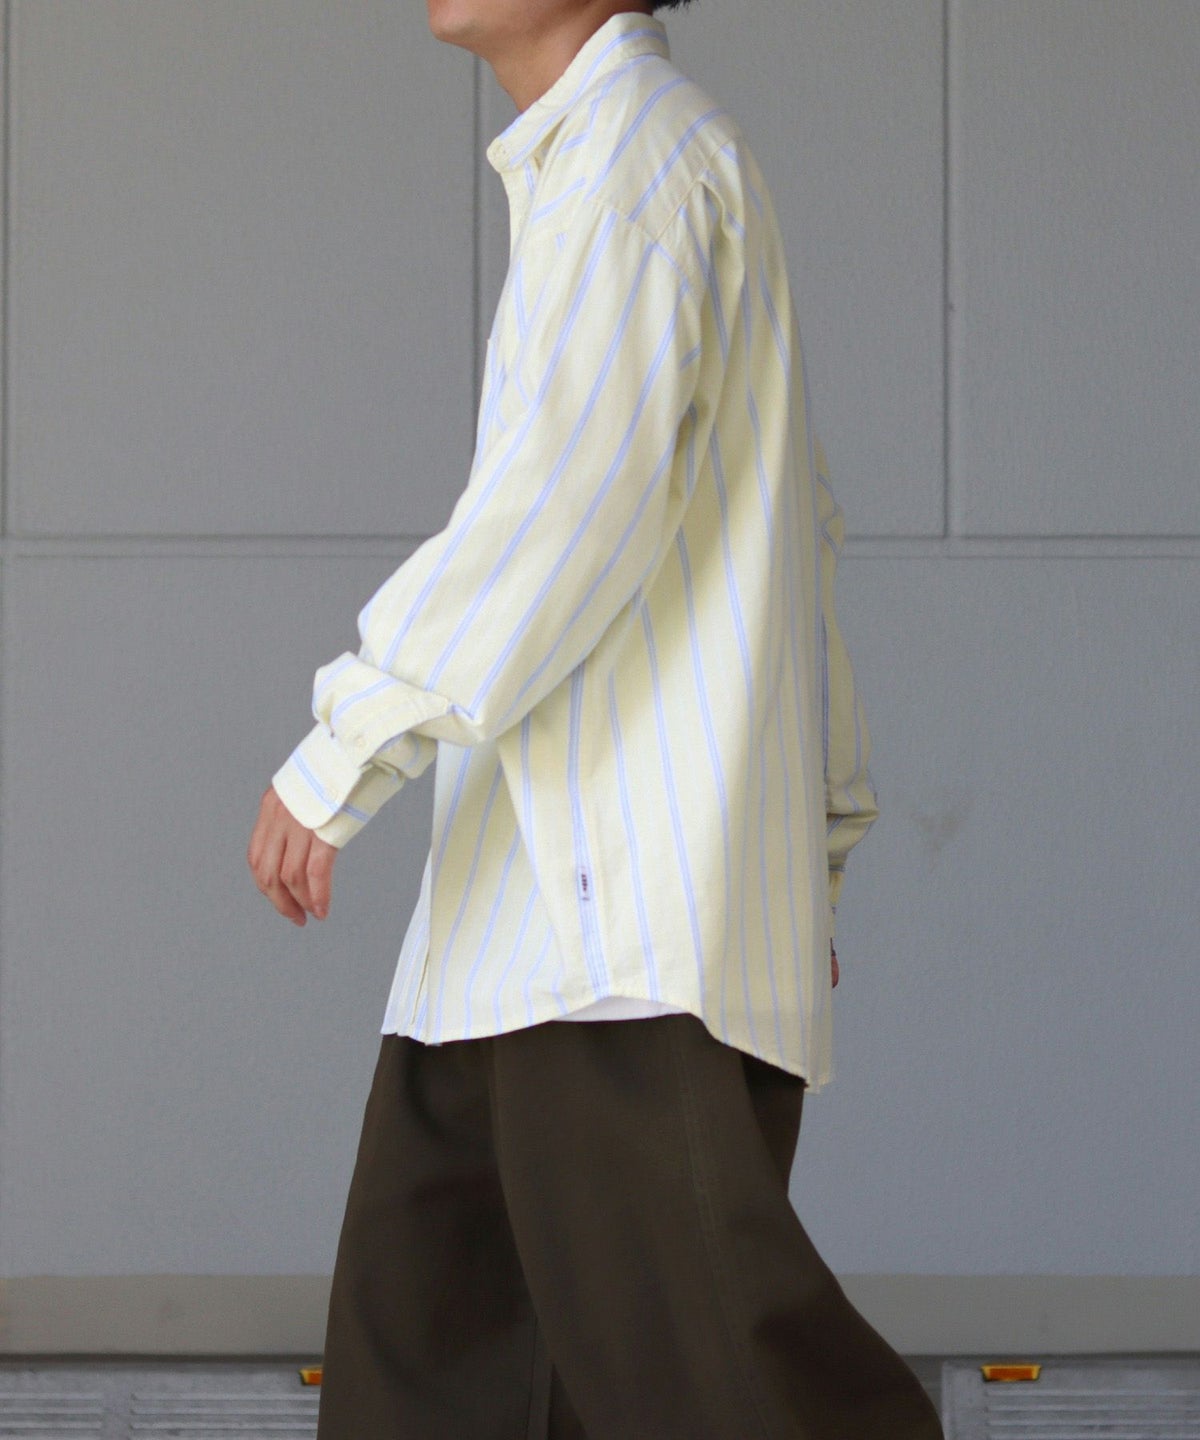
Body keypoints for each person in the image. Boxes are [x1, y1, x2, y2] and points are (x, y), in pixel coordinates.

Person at [247, 2, 944, 1435]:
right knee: (426, 1374)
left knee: (714, 1390)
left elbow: (561, 509)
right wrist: (808, 850)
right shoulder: (616, 167)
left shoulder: (638, 166)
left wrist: (348, 742)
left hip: (612, 938)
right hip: (521, 934)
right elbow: (790, 533)